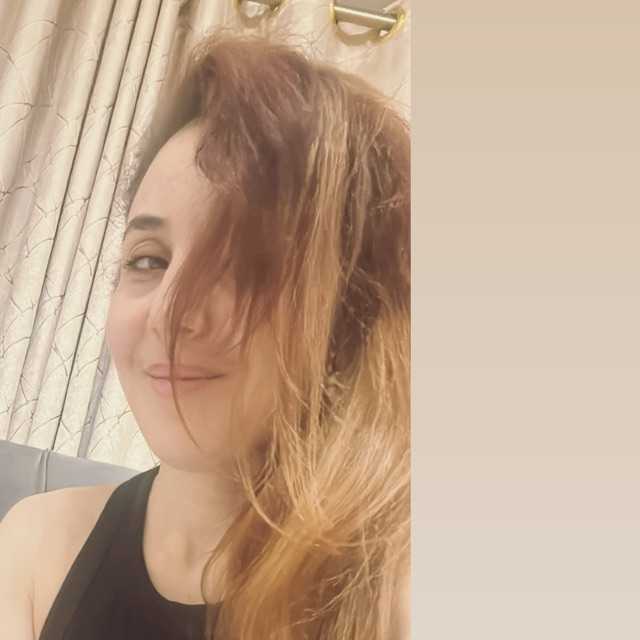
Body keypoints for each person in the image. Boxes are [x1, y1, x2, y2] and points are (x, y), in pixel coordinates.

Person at [0, 30, 410, 639]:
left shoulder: (395, 602)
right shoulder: (35, 545)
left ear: (352, 314)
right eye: (148, 259)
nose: (169, 313)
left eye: (243, 266)